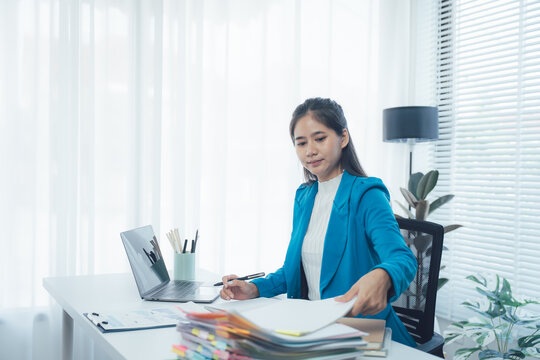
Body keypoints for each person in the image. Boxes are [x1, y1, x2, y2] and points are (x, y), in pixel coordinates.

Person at [219, 97, 417, 347]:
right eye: (301, 143)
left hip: (360, 332)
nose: (309, 150)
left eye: (320, 138)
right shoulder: (304, 196)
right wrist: (254, 288)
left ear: (342, 138)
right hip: (313, 329)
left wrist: (382, 274)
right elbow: (295, 271)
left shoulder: (367, 194)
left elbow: (402, 258)